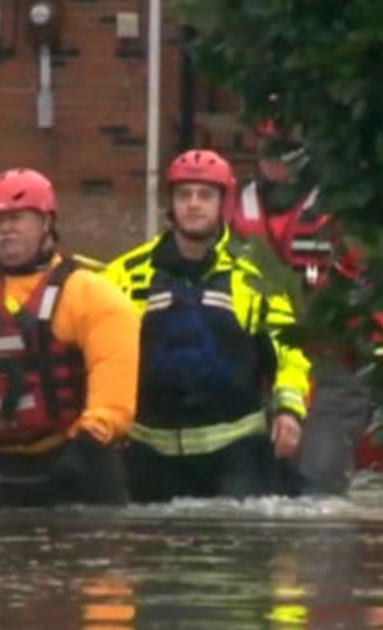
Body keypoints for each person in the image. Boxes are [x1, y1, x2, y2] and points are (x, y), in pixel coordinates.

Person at [102, 149, 312, 501]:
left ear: (224, 202)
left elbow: (289, 352)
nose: (193, 204)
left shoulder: (259, 273)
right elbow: (102, 356)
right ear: (171, 203)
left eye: (205, 195)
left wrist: (289, 411)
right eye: (184, 195)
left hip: (238, 452)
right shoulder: (124, 274)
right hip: (150, 452)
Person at [0, 168, 140, 506]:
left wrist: (89, 442)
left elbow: (114, 392)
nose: (6, 230)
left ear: (46, 223)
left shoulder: (94, 295)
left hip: (75, 462)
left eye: (17, 218)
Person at [227, 120, 374, 495]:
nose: (273, 161)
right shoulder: (234, 206)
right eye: (266, 148)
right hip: (263, 363)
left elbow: (372, 283)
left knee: (319, 480)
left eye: (281, 149)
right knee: (257, 486)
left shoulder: (339, 207)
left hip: (331, 362)